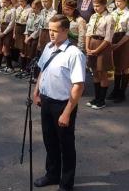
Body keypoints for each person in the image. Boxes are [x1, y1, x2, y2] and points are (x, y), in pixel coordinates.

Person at [33, 15, 86, 191]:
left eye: (55, 31)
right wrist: (37, 91)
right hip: (46, 102)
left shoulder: (74, 54)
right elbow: (42, 70)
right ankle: (52, 174)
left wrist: (67, 112)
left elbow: (78, 86)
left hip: (63, 105)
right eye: (50, 30)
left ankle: (66, 183)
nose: (51, 34)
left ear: (65, 30)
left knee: (66, 145)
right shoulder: (49, 47)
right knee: (50, 141)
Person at [85, 0, 115, 109]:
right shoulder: (93, 16)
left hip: (102, 46)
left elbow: (108, 38)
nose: (95, 8)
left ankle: (102, 100)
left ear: (104, 5)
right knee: (95, 72)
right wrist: (87, 47)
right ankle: (96, 98)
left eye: (98, 6)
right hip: (92, 43)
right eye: (94, 6)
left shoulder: (109, 18)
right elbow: (88, 33)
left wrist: (97, 50)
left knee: (102, 73)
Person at [109, 0, 129, 103]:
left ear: (125, 2)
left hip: (124, 40)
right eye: (116, 1)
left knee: (124, 66)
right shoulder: (113, 13)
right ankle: (115, 90)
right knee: (117, 66)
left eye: (120, 1)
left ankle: (122, 92)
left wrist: (119, 44)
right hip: (114, 38)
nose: (117, 3)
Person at [0, 0, 16, 74]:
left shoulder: (13, 10)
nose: (3, 3)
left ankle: (10, 67)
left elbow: (12, 23)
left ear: (9, 1)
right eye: (2, 2)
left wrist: (4, 32)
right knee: (3, 49)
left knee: (6, 49)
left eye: (4, 2)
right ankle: (7, 66)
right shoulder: (2, 9)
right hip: (1, 29)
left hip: (7, 30)